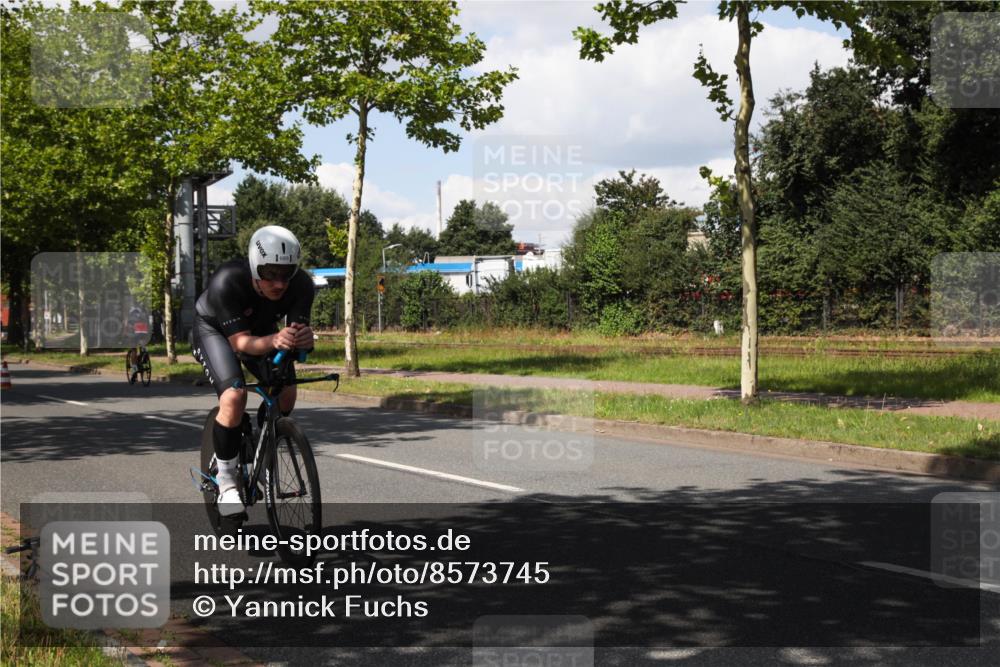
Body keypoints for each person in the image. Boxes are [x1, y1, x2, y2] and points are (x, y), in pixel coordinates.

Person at [192, 225, 315, 516]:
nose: (279, 283)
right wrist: (275, 340)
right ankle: (226, 480)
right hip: (215, 331)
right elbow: (241, 344)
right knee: (234, 396)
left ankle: (262, 445)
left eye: (286, 273)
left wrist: (304, 341)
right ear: (254, 266)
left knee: (286, 394)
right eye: (270, 273)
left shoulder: (302, 284)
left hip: (260, 331)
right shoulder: (228, 280)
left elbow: (295, 338)